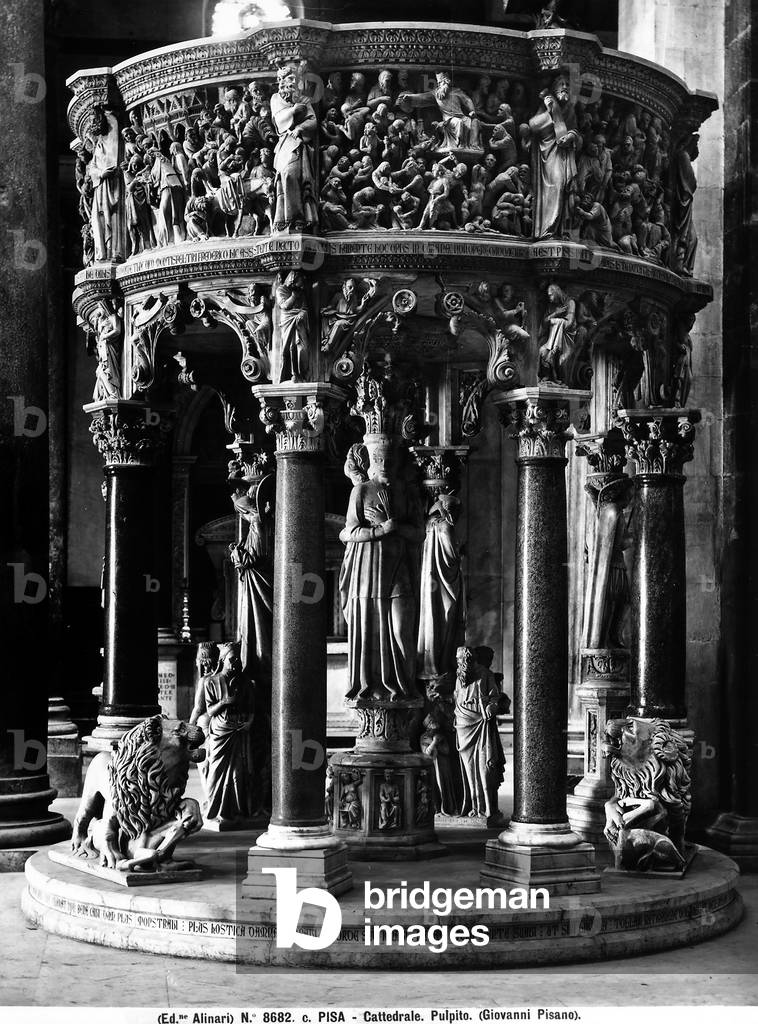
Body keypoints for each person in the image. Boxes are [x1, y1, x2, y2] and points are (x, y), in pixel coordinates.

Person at [339, 438, 423, 701]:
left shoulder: (406, 492)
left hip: (398, 571)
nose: (384, 464)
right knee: (369, 632)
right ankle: (371, 687)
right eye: (378, 459)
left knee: (401, 630)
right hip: (368, 571)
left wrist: (397, 527)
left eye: (388, 459)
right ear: (371, 462)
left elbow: (419, 533)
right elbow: (347, 533)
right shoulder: (361, 491)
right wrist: (380, 531)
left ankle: (404, 686)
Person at [189, 642, 255, 824]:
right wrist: (225, 702)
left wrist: (248, 722)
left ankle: (235, 810)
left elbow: (251, 709)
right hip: (218, 731)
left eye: (238, 659)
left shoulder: (245, 683)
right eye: (232, 659)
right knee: (214, 770)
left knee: (238, 773)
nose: (236, 662)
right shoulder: (210, 681)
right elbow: (206, 709)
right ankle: (213, 806)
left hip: (238, 731)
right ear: (222, 660)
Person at [521, 74, 579, 239]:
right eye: (561, 84)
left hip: (563, 154)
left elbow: (575, 130)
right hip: (547, 155)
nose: (565, 87)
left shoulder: (569, 108)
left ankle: (560, 230)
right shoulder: (548, 104)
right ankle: (547, 229)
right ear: (554, 88)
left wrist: (572, 136)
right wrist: (550, 111)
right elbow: (533, 125)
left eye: (567, 84)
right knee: (556, 185)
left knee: (563, 185)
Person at [453, 645, 505, 821]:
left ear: (467, 659)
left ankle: (489, 809)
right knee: (469, 770)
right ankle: (476, 808)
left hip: (481, 724)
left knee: (485, 768)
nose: (458, 662)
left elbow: (495, 697)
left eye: (459, 659)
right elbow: (457, 697)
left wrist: (491, 706)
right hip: (463, 725)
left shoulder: (485, 674)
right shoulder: (459, 677)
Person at [269, 64, 318, 232]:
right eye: (288, 79)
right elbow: (278, 121)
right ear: (281, 82)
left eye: (294, 79)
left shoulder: (304, 99)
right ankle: (283, 219)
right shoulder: (276, 98)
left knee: (293, 175)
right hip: (284, 143)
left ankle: (298, 217)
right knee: (282, 179)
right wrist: (293, 111)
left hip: (297, 143)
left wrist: (300, 128)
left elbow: (313, 121)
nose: (291, 83)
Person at [272, 271, 310, 383]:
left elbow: (305, 307)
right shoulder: (281, 290)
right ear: (293, 280)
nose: (301, 286)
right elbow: (284, 305)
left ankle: (303, 373)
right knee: (290, 346)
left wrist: (303, 313)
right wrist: (293, 296)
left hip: (300, 321)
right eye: (300, 283)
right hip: (287, 320)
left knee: (303, 347)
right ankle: (294, 373)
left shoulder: (301, 292)